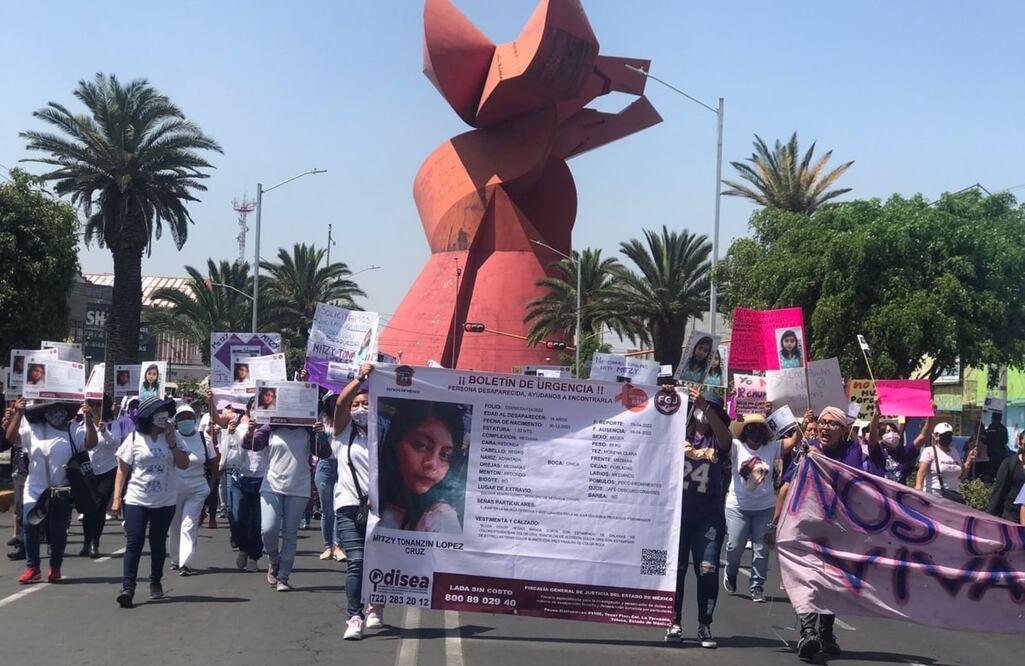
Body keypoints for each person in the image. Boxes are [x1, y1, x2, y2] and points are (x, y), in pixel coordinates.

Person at [768, 405, 884, 660]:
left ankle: (826, 632)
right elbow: (787, 485)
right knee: (808, 577)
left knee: (831, 580)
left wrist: (875, 416)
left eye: (833, 424)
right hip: (807, 526)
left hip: (840, 529)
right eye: (823, 422)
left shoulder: (853, 451)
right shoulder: (807, 451)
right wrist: (775, 522)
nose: (825, 427)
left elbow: (864, 470)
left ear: (844, 430)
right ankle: (808, 632)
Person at [666, 389, 732, 648]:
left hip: (709, 516)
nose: (705, 413)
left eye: (711, 410)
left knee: (707, 570)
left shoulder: (719, 440)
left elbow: (726, 441)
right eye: (702, 408)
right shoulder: (678, 434)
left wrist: (711, 409)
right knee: (676, 571)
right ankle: (674, 620)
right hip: (678, 515)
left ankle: (705, 624)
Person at [4, 399, 96, 583]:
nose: (56, 414)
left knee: (57, 531)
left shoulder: (73, 430)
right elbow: (11, 438)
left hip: (61, 489)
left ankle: (55, 567)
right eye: (51, 409)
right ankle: (33, 567)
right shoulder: (35, 428)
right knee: (30, 525)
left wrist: (88, 418)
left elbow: (90, 443)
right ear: (44, 412)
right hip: (35, 487)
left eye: (60, 409)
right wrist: (19, 415)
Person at [111, 396, 187, 607]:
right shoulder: (134, 438)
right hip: (137, 499)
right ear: (148, 417)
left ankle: (155, 580)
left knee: (157, 542)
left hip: (165, 500)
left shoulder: (173, 437)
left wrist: (172, 444)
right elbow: (122, 470)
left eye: (165, 413)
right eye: (158, 414)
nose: (163, 418)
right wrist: (117, 498)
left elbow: (184, 464)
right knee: (134, 543)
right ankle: (128, 588)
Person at [256, 402, 330, 591]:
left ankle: (283, 576)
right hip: (271, 484)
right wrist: (252, 430)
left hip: (298, 487)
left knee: (290, 533)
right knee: (268, 529)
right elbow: (254, 444)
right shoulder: (271, 426)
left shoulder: (308, 429)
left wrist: (321, 434)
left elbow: (325, 453)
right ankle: (274, 559)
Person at [331, 363, 380, 640]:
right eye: (357, 403)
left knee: (379, 562)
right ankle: (354, 616)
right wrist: (361, 378)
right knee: (357, 561)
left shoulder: (383, 433)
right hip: (348, 506)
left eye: (366, 403)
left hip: (379, 509)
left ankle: (376, 604)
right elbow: (340, 403)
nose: (360, 407)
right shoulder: (343, 434)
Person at [378, 399, 468, 533]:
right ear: (396, 441)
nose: (432, 464)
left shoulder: (441, 518)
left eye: (444, 455)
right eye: (421, 445)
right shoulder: (378, 497)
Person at [723, 413, 782, 603]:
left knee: (762, 549)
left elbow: (795, 439)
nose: (754, 432)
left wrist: (805, 423)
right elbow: (722, 436)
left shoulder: (771, 448)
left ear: (764, 432)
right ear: (745, 431)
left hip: (764, 508)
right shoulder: (735, 446)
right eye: (750, 428)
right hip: (737, 507)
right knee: (735, 546)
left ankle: (757, 586)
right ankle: (731, 572)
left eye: (759, 428)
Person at [210, 392, 267, 572]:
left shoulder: (270, 427)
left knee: (257, 523)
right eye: (253, 407)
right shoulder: (237, 421)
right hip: (238, 477)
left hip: (261, 478)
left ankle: (254, 556)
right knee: (236, 518)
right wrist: (210, 400)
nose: (256, 411)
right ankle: (242, 547)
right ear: (248, 409)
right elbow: (218, 421)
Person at [168, 404, 217, 575]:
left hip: (197, 489)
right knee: (174, 526)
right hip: (174, 490)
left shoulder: (204, 439)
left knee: (188, 525)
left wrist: (212, 485)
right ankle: (175, 558)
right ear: (176, 421)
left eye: (189, 417)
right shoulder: (171, 438)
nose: (186, 421)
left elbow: (213, 463)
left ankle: (185, 563)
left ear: (195, 419)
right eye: (181, 418)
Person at [77, 395, 121, 558]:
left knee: (100, 505)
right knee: (88, 508)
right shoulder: (80, 425)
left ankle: (95, 542)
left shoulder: (112, 424)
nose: (95, 407)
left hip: (108, 471)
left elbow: (117, 443)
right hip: (88, 472)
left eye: (98, 404)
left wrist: (105, 431)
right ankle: (86, 542)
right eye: (92, 404)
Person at [314, 392, 345, 561]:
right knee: (327, 510)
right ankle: (328, 546)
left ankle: (339, 545)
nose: (334, 403)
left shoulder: (347, 418)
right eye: (331, 400)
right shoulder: (321, 418)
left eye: (337, 400)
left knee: (338, 508)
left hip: (342, 467)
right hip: (324, 466)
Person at [915, 422, 975, 498]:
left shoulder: (954, 452)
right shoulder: (929, 451)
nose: (948, 437)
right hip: (933, 495)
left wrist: (969, 461)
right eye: (944, 435)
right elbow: (921, 472)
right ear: (936, 436)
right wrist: (918, 489)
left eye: (949, 435)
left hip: (953, 495)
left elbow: (961, 476)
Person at [2, 404, 28, 561]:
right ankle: (21, 544)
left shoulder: (45, 411)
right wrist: (11, 421)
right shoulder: (19, 410)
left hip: (42, 457)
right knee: (20, 504)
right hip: (21, 459)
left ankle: (52, 541)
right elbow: (9, 440)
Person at [987, 431, 1025, 522]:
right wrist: (990, 516)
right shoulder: (1009, 463)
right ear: (1020, 444)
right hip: (1011, 513)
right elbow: (999, 489)